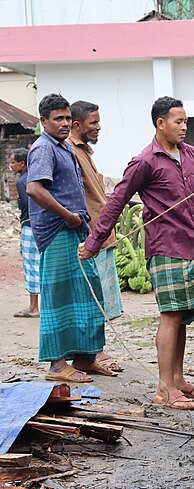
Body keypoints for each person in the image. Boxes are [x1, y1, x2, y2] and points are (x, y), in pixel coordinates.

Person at [79, 96, 194, 410]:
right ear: (160, 123)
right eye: (178, 122)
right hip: (165, 248)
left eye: (186, 122)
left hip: (191, 247)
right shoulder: (145, 161)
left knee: (180, 317)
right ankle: (164, 390)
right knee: (169, 316)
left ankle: (178, 380)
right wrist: (93, 243)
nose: (184, 128)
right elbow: (115, 204)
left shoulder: (192, 155)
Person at [26, 94, 106, 383]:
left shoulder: (64, 147)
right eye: (57, 118)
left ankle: (85, 357)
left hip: (75, 230)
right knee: (59, 297)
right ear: (43, 121)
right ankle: (57, 365)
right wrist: (66, 215)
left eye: (66, 118)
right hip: (57, 232)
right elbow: (34, 189)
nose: (64, 123)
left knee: (87, 292)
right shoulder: (43, 148)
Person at [68, 100, 125, 374]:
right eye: (94, 123)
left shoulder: (85, 152)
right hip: (91, 237)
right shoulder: (70, 151)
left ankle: (96, 351)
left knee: (101, 298)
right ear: (77, 125)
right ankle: (95, 353)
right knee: (93, 297)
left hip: (102, 234)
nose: (98, 127)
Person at [10, 148, 40, 318]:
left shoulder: (22, 181)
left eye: (13, 162)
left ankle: (34, 307)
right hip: (41, 226)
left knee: (31, 266)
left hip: (30, 226)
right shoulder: (36, 176)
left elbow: (30, 206)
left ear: (22, 163)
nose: (10, 166)